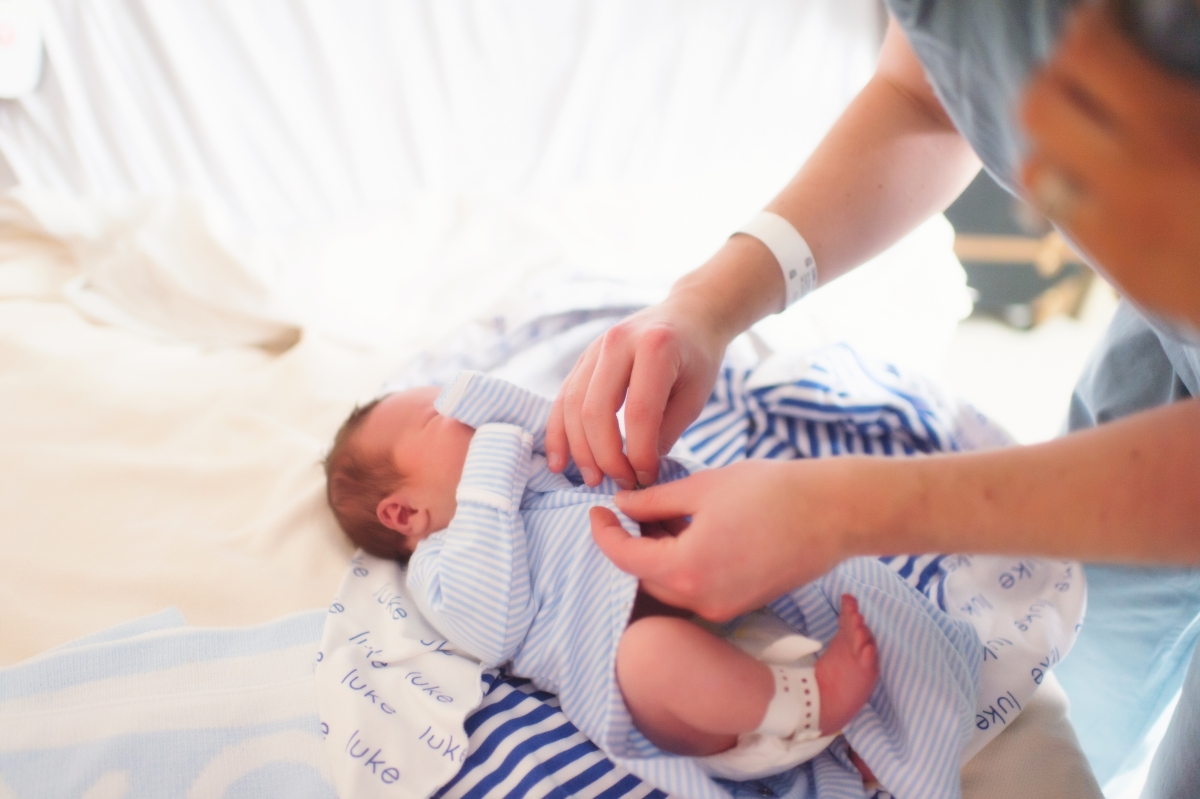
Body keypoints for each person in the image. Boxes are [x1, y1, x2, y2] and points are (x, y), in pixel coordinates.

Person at [545, 1, 1200, 792]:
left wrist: (835, 512)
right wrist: (707, 303)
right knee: (1071, 693)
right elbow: (925, 94)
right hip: (1166, 368)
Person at [322, 373, 884, 795]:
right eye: (433, 416)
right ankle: (812, 705)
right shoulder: (439, 562)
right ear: (403, 514)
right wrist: (490, 464)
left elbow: (591, 447)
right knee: (651, 654)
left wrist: (521, 425)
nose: (459, 410)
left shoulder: (539, 485)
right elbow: (495, 625)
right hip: (665, 700)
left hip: (731, 618)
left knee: (756, 533)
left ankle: (859, 732)